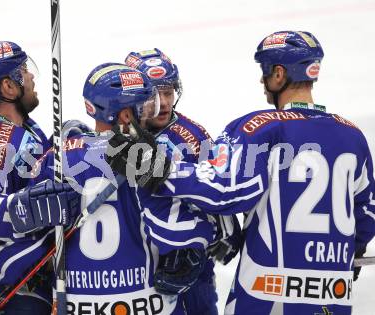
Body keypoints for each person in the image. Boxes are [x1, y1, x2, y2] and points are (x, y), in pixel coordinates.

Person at [107, 31, 375, 314]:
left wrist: (158, 167)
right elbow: (367, 214)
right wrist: (348, 252)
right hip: (332, 294)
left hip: (265, 294)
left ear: (280, 74)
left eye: (266, 71)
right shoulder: (352, 135)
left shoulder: (259, 127)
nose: (263, 80)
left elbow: (225, 190)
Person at [24, 63, 221, 314]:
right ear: (126, 115)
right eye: (146, 106)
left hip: (78, 305)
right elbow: (182, 233)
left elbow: (29, 228)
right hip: (148, 304)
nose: (151, 113)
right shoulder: (153, 158)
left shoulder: (58, 158)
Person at [0, 41, 80, 314]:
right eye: (24, 71)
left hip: (29, 279)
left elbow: (34, 178)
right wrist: (28, 209)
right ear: (9, 87)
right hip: (7, 292)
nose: (32, 76)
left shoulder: (22, 130)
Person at [125, 48, 242, 315]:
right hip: (132, 267)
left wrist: (198, 249)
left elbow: (219, 197)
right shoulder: (119, 128)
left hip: (182, 274)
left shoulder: (192, 138)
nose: (164, 102)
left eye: (168, 92)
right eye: (154, 94)